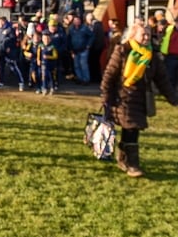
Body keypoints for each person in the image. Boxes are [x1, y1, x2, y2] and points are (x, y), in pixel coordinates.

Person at [100, 19, 177, 177]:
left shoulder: (152, 56)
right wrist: (106, 97)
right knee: (131, 128)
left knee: (132, 129)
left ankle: (123, 158)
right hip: (122, 97)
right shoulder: (122, 51)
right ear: (133, 35)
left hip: (141, 99)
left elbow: (162, 80)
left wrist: (173, 98)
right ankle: (132, 164)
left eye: (148, 35)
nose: (146, 38)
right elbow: (109, 75)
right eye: (143, 35)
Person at [0, 16, 25, 91]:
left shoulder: (10, 29)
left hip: (8, 51)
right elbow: (0, 39)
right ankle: (1, 82)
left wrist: (8, 46)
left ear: (3, 21)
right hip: (0, 50)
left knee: (13, 66)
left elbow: (12, 39)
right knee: (0, 66)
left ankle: (21, 82)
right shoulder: (0, 29)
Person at [68, 14, 93, 85]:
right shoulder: (71, 29)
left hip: (84, 49)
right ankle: (80, 79)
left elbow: (92, 36)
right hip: (75, 50)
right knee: (76, 65)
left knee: (84, 65)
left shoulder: (85, 28)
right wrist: (71, 50)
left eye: (78, 20)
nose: (76, 22)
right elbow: (69, 39)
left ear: (80, 21)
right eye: (75, 20)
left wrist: (89, 45)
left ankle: (86, 79)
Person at [39, 30, 59, 95]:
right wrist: (38, 60)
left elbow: (55, 56)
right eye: (44, 38)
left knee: (51, 77)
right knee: (44, 77)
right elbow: (38, 54)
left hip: (51, 65)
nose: (46, 40)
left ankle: (52, 88)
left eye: (48, 38)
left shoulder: (52, 47)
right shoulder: (41, 46)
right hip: (43, 64)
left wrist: (48, 57)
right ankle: (44, 88)